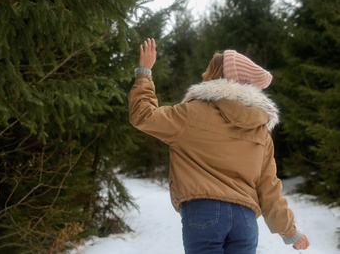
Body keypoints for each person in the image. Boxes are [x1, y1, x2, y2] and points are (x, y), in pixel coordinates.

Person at [128, 38, 310, 254]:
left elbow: (143, 115)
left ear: (216, 76)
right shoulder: (261, 130)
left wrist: (144, 72)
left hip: (203, 212)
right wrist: (289, 231)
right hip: (246, 220)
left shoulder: (190, 114)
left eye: (207, 71)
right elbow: (269, 186)